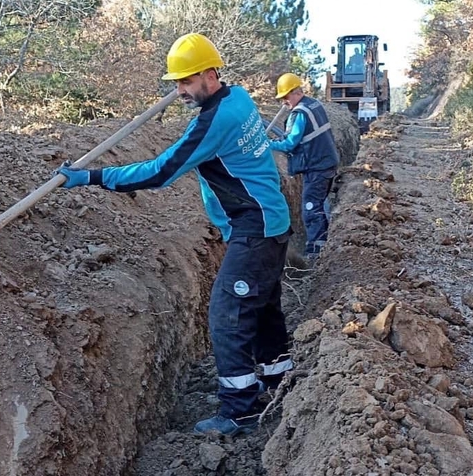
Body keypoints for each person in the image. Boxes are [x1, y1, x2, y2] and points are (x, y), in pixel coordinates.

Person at [57, 33, 293, 437]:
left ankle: (240, 410)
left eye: (186, 81)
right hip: (270, 221)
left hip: (255, 227)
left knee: (228, 314)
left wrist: (91, 177)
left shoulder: (215, 121)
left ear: (210, 75)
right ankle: (278, 380)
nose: (179, 91)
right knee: (263, 307)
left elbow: (161, 171)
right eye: (176, 83)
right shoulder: (238, 98)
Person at [269, 73, 339, 260]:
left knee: (311, 207)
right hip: (326, 162)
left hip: (317, 166)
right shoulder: (313, 104)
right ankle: (322, 243)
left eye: (285, 97)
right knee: (318, 204)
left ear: (295, 92)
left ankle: (316, 251)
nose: (284, 102)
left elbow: (290, 144)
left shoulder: (300, 113)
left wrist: (268, 145)